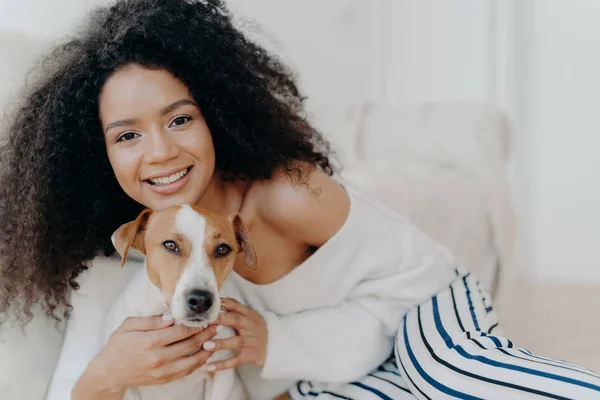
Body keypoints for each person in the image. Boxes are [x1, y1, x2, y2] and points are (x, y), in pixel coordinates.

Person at [0, 0, 599, 399]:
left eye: (179, 119)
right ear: (94, 154)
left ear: (217, 115)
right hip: (328, 379)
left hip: (429, 323)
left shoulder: (287, 192)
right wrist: (107, 374)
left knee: (458, 378)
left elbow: (419, 284)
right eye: (127, 134)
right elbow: (74, 389)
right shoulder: (119, 259)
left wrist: (276, 343)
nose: (158, 152)